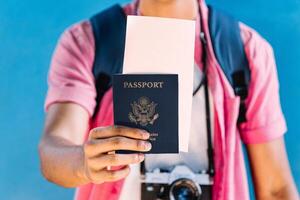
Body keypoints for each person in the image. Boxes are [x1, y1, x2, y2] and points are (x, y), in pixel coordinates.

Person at [38, 0, 299, 199]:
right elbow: (54, 152)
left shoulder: (245, 50)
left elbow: (276, 189)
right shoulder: (89, 42)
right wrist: (84, 162)